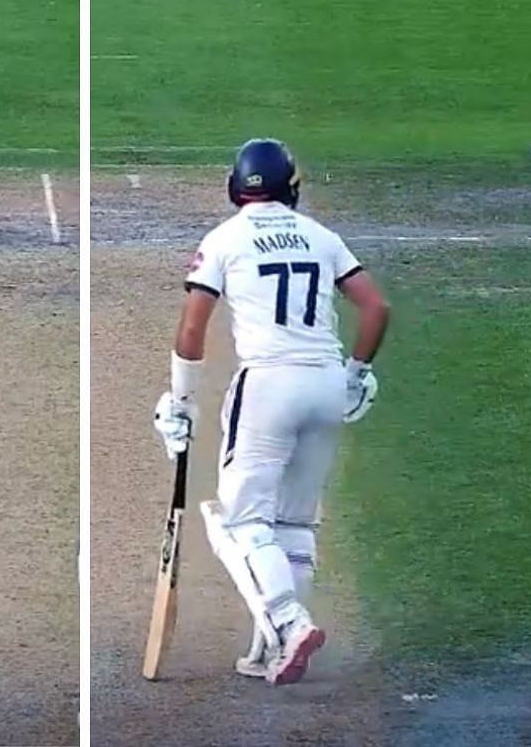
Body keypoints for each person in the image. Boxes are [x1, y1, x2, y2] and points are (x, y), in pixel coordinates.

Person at [155, 139, 389, 684]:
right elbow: (376, 307)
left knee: (239, 523)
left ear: (236, 188)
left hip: (267, 385)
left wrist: (181, 403)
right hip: (327, 385)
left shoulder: (224, 240)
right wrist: (355, 375)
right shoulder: (321, 236)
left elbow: (192, 331)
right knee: (294, 521)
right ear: (293, 187)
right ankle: (268, 649)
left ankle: (287, 620)